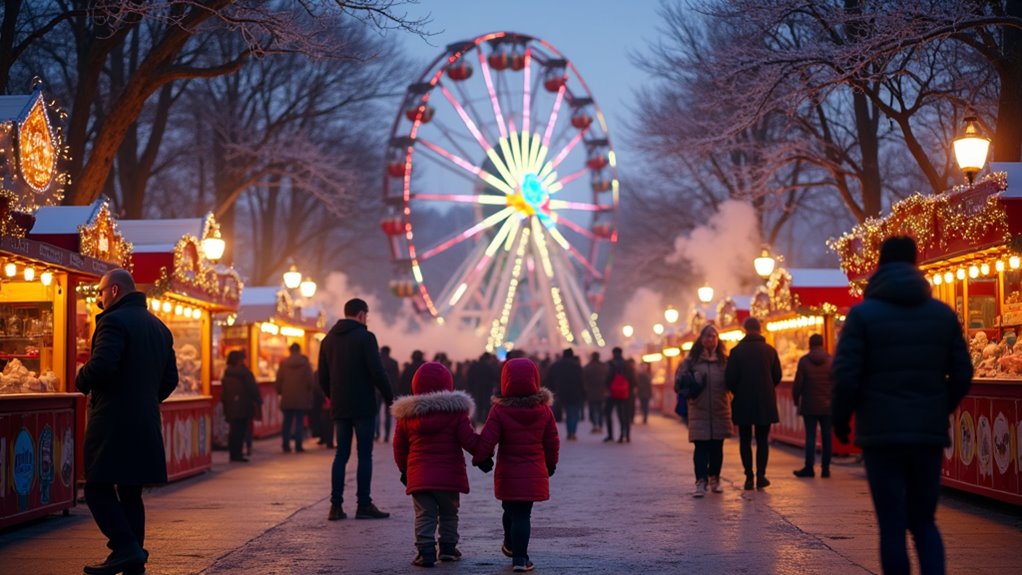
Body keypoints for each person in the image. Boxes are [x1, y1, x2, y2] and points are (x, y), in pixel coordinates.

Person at [832, 235, 972, 575]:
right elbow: (963, 371)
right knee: (925, 521)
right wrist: (941, 407)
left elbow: (846, 374)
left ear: (879, 263)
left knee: (892, 524)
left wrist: (841, 419)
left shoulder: (862, 316)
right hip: (927, 434)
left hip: (880, 435)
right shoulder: (941, 314)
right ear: (916, 263)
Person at [75, 269, 178, 575]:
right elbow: (170, 379)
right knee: (131, 491)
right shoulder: (159, 327)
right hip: (145, 420)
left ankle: (126, 547)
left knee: (96, 487)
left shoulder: (113, 321)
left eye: (101, 293)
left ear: (115, 290)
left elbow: (104, 364)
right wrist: (145, 399)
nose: (99, 299)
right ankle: (133, 559)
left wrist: (82, 378)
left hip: (112, 421)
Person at [472, 358, 559, 572]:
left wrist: (481, 458)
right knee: (522, 514)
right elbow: (552, 441)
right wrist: (551, 464)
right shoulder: (543, 411)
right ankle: (520, 558)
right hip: (533, 471)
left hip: (508, 472)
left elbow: (488, 439)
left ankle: (512, 547)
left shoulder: (499, 411)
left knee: (510, 509)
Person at [391, 362, 481, 567]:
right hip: (449, 476)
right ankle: (448, 549)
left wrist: (404, 469)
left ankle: (425, 552)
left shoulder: (407, 416)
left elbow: (399, 446)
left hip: (420, 475)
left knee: (424, 514)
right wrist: (483, 451)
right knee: (449, 513)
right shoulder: (456, 413)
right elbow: (468, 440)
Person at [319, 298, 394, 520]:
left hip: (340, 406)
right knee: (364, 455)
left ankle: (336, 506)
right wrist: (391, 399)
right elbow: (377, 372)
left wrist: (333, 396)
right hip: (363, 405)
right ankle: (363, 504)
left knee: (340, 455)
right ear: (361, 314)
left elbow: (322, 376)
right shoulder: (366, 337)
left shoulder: (328, 339)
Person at [676, 324, 732, 497]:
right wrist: (691, 383)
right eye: (707, 336)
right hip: (698, 410)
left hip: (719, 409)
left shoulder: (724, 361)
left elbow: (731, 382)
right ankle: (701, 480)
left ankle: (715, 478)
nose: (710, 339)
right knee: (700, 448)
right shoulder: (690, 362)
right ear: (701, 339)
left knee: (717, 447)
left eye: (713, 336)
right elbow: (678, 384)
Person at [725, 316, 781, 490]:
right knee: (763, 439)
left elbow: (729, 379)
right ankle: (762, 475)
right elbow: (777, 376)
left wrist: (739, 391)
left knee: (745, 440)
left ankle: (748, 476)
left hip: (743, 401)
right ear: (760, 329)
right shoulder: (770, 351)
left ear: (744, 329)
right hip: (765, 401)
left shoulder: (736, 352)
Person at [791, 333, 833, 478]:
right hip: (827, 406)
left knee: (810, 437)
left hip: (809, 405)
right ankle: (826, 468)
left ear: (810, 344)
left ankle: (809, 468)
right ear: (822, 344)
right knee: (827, 436)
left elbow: (798, 385)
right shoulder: (830, 361)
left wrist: (796, 400)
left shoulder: (804, 361)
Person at [221, 350, 262, 462]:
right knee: (241, 430)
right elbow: (252, 389)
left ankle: (233, 453)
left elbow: (224, 392)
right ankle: (238, 453)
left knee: (234, 430)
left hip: (231, 404)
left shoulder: (227, 373)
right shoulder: (245, 373)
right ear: (240, 360)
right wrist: (258, 400)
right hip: (244, 405)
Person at [276, 342, 315, 453]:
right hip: (301, 397)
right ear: (299, 350)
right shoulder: (305, 363)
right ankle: (298, 445)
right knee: (299, 422)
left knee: (287, 422)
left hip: (287, 397)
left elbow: (279, 381)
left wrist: (280, 392)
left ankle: (285, 445)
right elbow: (310, 381)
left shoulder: (283, 364)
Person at [543, 348, 585, 440]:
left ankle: (566, 432)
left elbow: (548, 379)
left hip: (560, 392)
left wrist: (552, 391)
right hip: (575, 392)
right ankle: (572, 432)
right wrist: (583, 393)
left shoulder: (556, 365)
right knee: (573, 413)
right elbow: (582, 380)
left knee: (564, 412)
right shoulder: (576, 365)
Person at [603, 347, 635, 443]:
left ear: (613, 353)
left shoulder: (609, 364)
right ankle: (625, 435)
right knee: (624, 414)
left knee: (608, 413)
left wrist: (607, 388)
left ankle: (610, 435)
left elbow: (606, 377)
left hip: (612, 392)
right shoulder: (627, 364)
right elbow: (633, 379)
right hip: (625, 392)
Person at [468, 352, 499, 425]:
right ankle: (484, 420)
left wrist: (471, 388)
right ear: (487, 358)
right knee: (486, 404)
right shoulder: (489, 367)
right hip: (487, 388)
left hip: (476, 388)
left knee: (477, 404)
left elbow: (470, 377)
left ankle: (477, 419)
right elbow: (494, 377)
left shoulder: (474, 366)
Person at [377, 345, 399, 442]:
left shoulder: (377, 361)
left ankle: (376, 434)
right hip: (390, 390)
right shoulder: (394, 363)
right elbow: (396, 378)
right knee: (388, 414)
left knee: (375, 413)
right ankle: (386, 436)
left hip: (377, 390)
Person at [583, 352, 607, 433]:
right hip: (601, 392)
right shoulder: (603, 367)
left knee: (592, 410)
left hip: (591, 393)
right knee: (600, 410)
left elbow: (584, 380)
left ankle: (594, 425)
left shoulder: (587, 367)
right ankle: (600, 425)